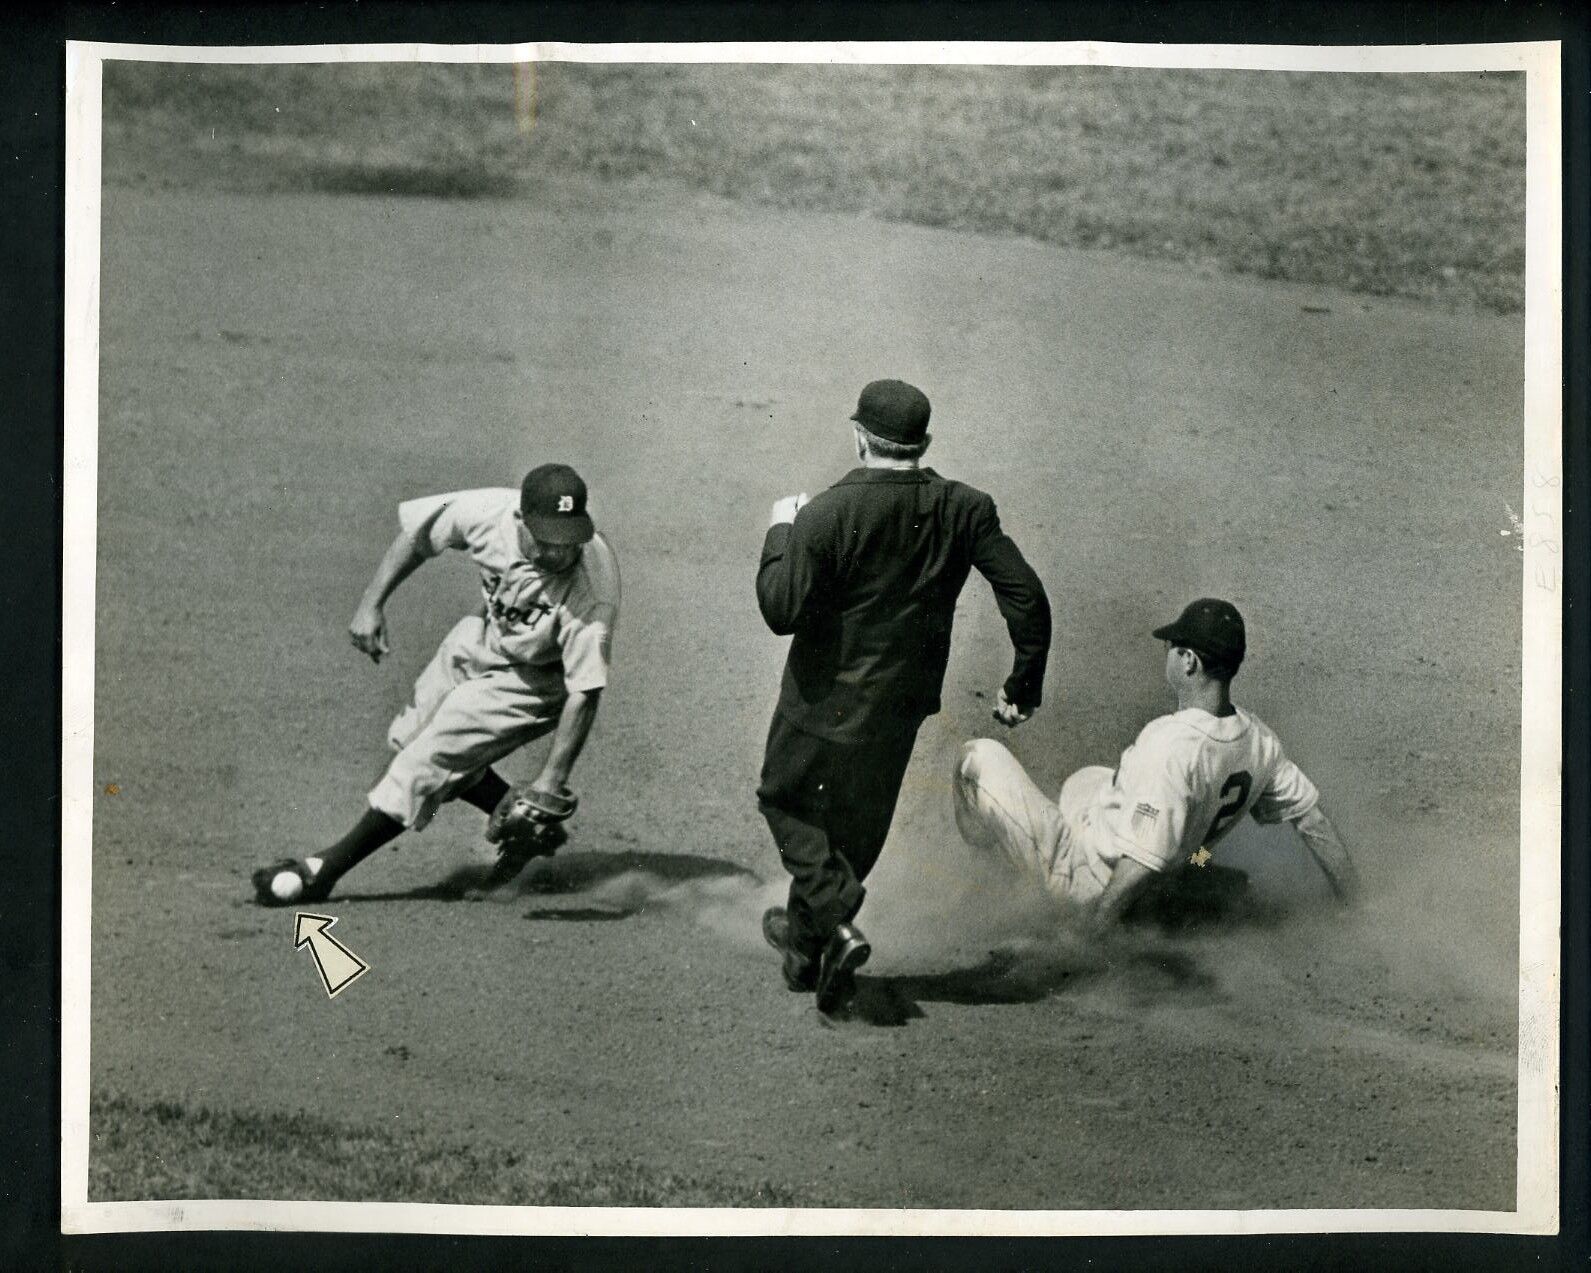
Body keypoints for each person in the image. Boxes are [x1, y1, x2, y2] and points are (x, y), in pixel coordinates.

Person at [756, 379, 1052, 1014]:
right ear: (925, 444)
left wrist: (781, 531)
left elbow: (780, 610)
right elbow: (1026, 594)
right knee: (857, 830)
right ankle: (808, 949)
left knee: (786, 803)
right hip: (901, 706)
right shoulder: (966, 507)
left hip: (819, 705)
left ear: (860, 437)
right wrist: (1024, 678)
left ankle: (836, 924)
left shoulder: (827, 512)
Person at [251, 463, 619, 906]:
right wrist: (372, 604)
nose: (560, 554)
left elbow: (585, 692)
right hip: (488, 635)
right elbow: (418, 534)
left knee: (427, 758)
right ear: (519, 520)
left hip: (542, 678)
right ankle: (527, 825)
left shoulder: (590, 592)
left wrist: (551, 779)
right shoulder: (487, 512)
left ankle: (322, 871)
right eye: (546, 541)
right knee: (407, 738)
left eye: (569, 542)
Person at [953, 598, 1360, 927]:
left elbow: (1139, 864)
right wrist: (1355, 905)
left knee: (976, 758)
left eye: (1172, 648)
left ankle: (993, 878)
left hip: (1092, 880)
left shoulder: (1169, 745)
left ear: (1189, 662)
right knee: (1088, 780)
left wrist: (1088, 937)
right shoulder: (1261, 741)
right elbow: (1314, 823)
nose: (1166, 654)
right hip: (1178, 861)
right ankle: (1199, 868)